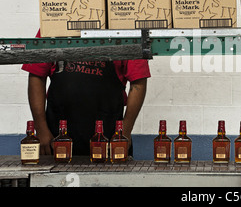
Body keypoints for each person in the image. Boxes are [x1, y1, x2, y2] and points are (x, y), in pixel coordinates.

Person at [22, 30, 150, 156]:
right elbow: (37, 75)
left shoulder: (122, 29)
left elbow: (138, 82)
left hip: (109, 137)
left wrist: (125, 131)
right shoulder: (53, 25)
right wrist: (41, 128)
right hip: (57, 137)